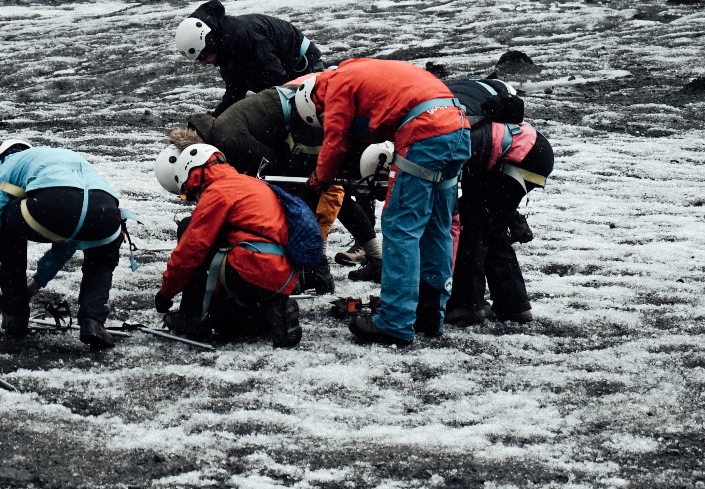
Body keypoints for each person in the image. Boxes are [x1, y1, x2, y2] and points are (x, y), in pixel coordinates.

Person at [304, 59, 470, 348]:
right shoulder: (360, 69)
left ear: (315, 99)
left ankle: (395, 322)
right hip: (458, 126)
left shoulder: (335, 86)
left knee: (401, 228)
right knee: (437, 227)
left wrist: (322, 176)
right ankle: (430, 315)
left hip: (426, 131)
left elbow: (336, 139)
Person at [166, 82, 346, 295]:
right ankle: (308, 272)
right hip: (294, 127)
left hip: (303, 127)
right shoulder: (220, 139)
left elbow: (272, 168)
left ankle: (313, 270)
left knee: (307, 203)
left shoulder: (229, 143)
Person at [0, 140, 127, 349]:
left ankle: (15, 314)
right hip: (104, 209)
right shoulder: (64, 156)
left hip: (57, 202)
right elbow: (69, 236)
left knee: (4, 218)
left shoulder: (7, 166)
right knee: (102, 253)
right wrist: (37, 283)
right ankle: (93, 320)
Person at [152, 142, 301, 347]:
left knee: (188, 227)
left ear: (192, 174)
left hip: (251, 269)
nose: (192, 199)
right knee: (224, 323)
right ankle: (274, 314)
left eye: (188, 193)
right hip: (282, 275)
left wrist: (165, 292)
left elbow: (191, 252)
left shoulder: (217, 192)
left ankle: (191, 316)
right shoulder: (249, 183)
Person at [446, 107, 554, 327]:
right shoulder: (453, 125)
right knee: (488, 225)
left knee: (475, 228)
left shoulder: (450, 141)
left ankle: (468, 306)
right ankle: (513, 305)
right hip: (529, 151)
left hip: (523, 158)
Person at [173, 0, 323, 115]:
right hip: (280, 67)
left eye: (203, 57)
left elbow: (277, 78)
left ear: (209, 44)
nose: (203, 64)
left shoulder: (243, 37)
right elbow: (235, 90)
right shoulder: (223, 44)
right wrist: (215, 117)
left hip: (303, 64)